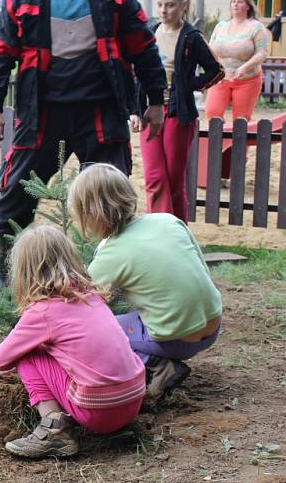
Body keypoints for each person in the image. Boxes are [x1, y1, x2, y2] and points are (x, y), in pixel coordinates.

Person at [0, 0, 167, 295]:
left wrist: (156, 101)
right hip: (41, 111)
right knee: (17, 186)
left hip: (102, 109)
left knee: (111, 191)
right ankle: (2, 271)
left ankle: (119, 275)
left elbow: (143, 48)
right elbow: (0, 54)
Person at [68, 163, 222, 400]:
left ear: (90, 214)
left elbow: (81, 308)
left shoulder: (112, 254)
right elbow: (199, 268)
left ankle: (156, 364)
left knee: (95, 331)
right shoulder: (167, 221)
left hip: (178, 340)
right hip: (213, 324)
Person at [0, 225, 145, 458]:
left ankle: (54, 431)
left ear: (24, 271)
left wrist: (20, 355)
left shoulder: (43, 311)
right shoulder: (92, 297)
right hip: (132, 401)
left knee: (28, 356)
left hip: (100, 412)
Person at [135, 0, 223, 222]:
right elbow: (138, 75)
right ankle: (157, 228)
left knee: (173, 179)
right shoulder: (149, 33)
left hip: (177, 113)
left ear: (184, 6)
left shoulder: (192, 37)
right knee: (154, 176)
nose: (163, 10)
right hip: (150, 112)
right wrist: (134, 109)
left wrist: (185, 86)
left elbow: (215, 71)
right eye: (160, 5)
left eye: (170, 5)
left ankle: (176, 231)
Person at [204, 0, 270, 121]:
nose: (235, 4)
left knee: (240, 119)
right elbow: (210, 50)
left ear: (248, 6)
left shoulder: (256, 27)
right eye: (233, 2)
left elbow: (262, 53)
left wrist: (244, 68)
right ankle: (219, 141)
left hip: (247, 79)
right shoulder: (221, 26)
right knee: (212, 113)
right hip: (220, 78)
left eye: (239, 2)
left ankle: (238, 141)